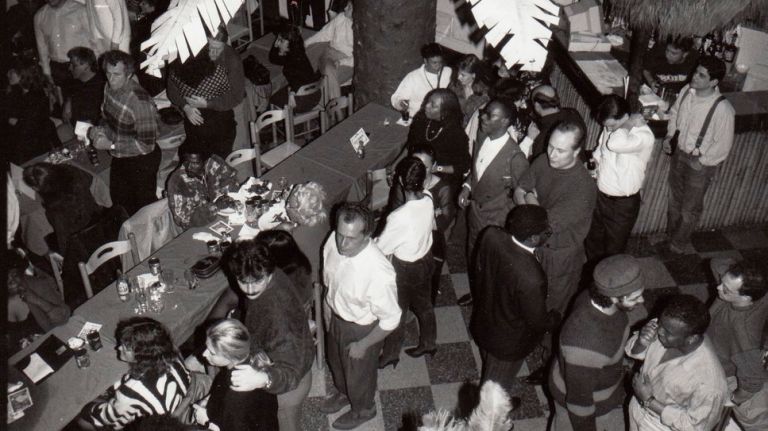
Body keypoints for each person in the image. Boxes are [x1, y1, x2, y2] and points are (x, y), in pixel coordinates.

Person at [514, 120, 597, 384]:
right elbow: (518, 191)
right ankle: (529, 337)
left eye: (560, 151)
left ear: (577, 151)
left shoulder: (582, 187)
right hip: (534, 247)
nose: (551, 154)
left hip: (560, 256)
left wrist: (531, 200)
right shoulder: (543, 161)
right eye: (550, 146)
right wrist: (531, 202)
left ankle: (550, 363)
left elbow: (540, 224)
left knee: (553, 309)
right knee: (529, 297)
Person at [320, 203, 400, 429]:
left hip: (362, 330)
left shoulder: (378, 272)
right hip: (336, 317)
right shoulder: (333, 241)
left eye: (351, 238)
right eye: (341, 234)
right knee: (337, 364)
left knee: (359, 377)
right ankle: (345, 394)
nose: (342, 244)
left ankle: (364, 409)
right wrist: (328, 306)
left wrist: (364, 344)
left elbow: (391, 318)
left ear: (367, 237)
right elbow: (329, 278)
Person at [470, 205, 556, 403]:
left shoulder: (490, 235)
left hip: (485, 322)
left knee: (489, 364)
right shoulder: (531, 277)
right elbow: (536, 321)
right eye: (547, 231)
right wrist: (553, 319)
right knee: (493, 391)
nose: (549, 233)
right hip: (507, 344)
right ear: (533, 238)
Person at [224, 240, 313, 431]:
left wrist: (262, 379)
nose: (249, 290)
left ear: (270, 272)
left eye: (257, 281)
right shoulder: (270, 275)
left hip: (287, 386)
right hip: (278, 364)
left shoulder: (279, 315)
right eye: (243, 281)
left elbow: (290, 373)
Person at [550, 254, 646, 431]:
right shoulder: (585, 344)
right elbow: (579, 403)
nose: (642, 301)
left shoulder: (592, 297)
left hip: (600, 391)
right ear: (614, 297)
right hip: (584, 405)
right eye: (634, 298)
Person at [457, 98, 529, 306]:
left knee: (490, 263)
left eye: (490, 115)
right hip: (476, 212)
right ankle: (477, 292)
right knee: (473, 253)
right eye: (484, 112)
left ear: (505, 122)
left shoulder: (515, 158)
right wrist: (467, 187)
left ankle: (489, 302)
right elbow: (477, 169)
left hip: (496, 218)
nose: (483, 117)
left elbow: (523, 196)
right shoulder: (482, 136)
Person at [663, 56, 735, 254]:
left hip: (700, 164)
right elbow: (675, 113)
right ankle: (671, 236)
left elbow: (723, 146)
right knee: (674, 200)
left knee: (690, 209)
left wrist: (701, 161)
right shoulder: (687, 91)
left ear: (714, 82)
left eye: (701, 75)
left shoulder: (723, 109)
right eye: (696, 71)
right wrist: (670, 135)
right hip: (679, 154)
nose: (694, 76)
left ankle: (678, 245)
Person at [626, 295, 728, 431]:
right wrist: (641, 342)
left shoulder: (711, 384)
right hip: (637, 407)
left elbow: (697, 427)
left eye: (667, 331)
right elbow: (632, 351)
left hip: (661, 426)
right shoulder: (669, 327)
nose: (659, 332)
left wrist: (649, 401)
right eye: (660, 324)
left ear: (691, 338)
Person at [377, 157, 436, 367]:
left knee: (398, 313)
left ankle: (391, 354)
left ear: (401, 181)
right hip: (426, 260)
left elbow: (382, 247)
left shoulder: (399, 216)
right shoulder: (428, 199)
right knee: (424, 305)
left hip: (405, 269)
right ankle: (429, 342)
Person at [81, 317, 191, 430]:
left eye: (125, 348)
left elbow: (106, 419)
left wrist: (87, 406)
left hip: (148, 424)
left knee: (81, 416)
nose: (118, 347)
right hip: (171, 405)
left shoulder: (130, 392)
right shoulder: (173, 353)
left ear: (141, 354)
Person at [584, 95, 655, 267]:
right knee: (592, 242)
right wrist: (594, 165)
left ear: (625, 116)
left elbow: (615, 144)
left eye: (611, 125)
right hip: (600, 197)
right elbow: (601, 151)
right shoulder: (612, 128)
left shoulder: (643, 135)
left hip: (622, 205)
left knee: (614, 251)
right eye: (605, 126)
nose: (607, 129)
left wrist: (629, 124)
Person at [88, 50, 160, 216]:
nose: (111, 79)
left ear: (128, 75)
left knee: (144, 210)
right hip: (121, 155)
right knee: (120, 202)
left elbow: (147, 145)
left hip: (142, 160)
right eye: (108, 73)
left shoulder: (139, 101)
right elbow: (105, 117)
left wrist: (110, 144)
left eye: (116, 74)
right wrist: (100, 130)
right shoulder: (108, 87)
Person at [389, 144, 456, 301]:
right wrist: (431, 214)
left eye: (424, 167)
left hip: (431, 241)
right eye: (415, 164)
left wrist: (414, 217)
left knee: (427, 290)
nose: (418, 171)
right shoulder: (403, 183)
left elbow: (443, 223)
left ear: (433, 167)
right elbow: (393, 214)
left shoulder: (443, 188)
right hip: (405, 240)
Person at [707, 258, 768, 430]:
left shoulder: (743, 334)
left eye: (725, 289)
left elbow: (752, 382)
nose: (718, 288)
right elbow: (717, 262)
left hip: (725, 371)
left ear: (746, 297)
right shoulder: (761, 295)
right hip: (715, 346)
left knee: (754, 418)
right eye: (721, 282)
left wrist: (731, 400)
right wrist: (734, 272)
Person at [167, 25, 245, 159]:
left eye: (218, 49)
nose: (213, 53)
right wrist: (185, 106)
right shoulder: (193, 55)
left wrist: (208, 103)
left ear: (225, 44)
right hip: (194, 115)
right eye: (210, 47)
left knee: (218, 160)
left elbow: (236, 97)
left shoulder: (232, 60)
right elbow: (172, 89)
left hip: (222, 112)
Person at [194, 319, 279, 431]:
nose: (204, 354)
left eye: (212, 353)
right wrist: (210, 399)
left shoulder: (236, 396)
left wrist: (206, 422)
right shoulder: (254, 359)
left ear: (230, 355)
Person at [23, 163, 102, 255]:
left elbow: (64, 243)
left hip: (81, 239)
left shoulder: (55, 208)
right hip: (96, 215)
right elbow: (89, 178)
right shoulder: (72, 172)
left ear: (37, 188)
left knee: (38, 235)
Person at [405, 88, 471, 195]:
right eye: (428, 101)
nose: (426, 106)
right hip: (417, 173)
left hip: (442, 181)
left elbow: (464, 165)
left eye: (433, 105)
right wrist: (395, 166)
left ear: (445, 112)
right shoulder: (421, 119)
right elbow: (410, 146)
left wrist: (437, 168)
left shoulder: (456, 134)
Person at [6, 250, 70, 354]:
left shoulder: (38, 285)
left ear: (21, 273)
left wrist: (38, 300)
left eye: (14, 275)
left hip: (50, 348)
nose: (11, 282)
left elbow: (63, 319)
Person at [166, 152, 239, 229]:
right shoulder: (178, 181)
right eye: (187, 162)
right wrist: (215, 206)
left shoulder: (213, 162)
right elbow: (183, 220)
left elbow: (231, 178)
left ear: (205, 161)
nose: (189, 167)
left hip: (223, 214)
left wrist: (226, 196)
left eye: (196, 163)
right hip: (199, 224)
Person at [5, 59, 58, 164]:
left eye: (12, 71)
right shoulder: (19, 91)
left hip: (33, 149)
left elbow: (27, 128)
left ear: (22, 74)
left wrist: (11, 120)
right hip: (23, 142)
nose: (8, 74)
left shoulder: (36, 97)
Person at [33, 0, 94, 91]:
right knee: (61, 103)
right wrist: (47, 74)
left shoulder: (81, 10)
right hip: (56, 69)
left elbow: (94, 41)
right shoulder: (40, 16)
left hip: (81, 68)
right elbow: (42, 48)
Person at [518, 85, 586, 162]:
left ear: (537, 105)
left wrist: (529, 140)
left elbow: (537, 164)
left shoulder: (543, 135)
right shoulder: (573, 112)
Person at [304, 0, 353, 101]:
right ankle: (336, 111)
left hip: (347, 62)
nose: (345, 8)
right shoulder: (341, 18)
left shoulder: (361, 28)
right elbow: (323, 34)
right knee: (327, 69)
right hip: (329, 55)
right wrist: (305, 43)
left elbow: (359, 58)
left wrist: (342, 61)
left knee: (328, 75)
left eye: (349, 7)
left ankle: (332, 110)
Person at [391, 43, 452, 119]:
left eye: (440, 62)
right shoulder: (413, 77)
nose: (439, 66)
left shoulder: (448, 72)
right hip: (417, 119)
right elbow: (396, 98)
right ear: (425, 61)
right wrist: (401, 103)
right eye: (434, 63)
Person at [268, 22, 319, 113]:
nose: (278, 43)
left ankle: (285, 123)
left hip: (303, 98)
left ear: (290, 43)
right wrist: (276, 43)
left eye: (281, 41)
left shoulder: (292, 60)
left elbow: (300, 79)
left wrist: (292, 93)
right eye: (277, 40)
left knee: (272, 100)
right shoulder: (297, 52)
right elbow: (273, 58)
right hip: (315, 94)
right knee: (280, 90)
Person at [63, 47, 105, 127]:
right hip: (73, 126)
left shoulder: (100, 86)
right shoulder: (75, 80)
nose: (70, 68)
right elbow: (70, 93)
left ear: (86, 66)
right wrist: (68, 102)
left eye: (74, 65)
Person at [448, 54, 490, 126]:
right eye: (459, 73)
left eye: (463, 75)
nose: (458, 77)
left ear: (474, 75)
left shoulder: (484, 94)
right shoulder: (454, 85)